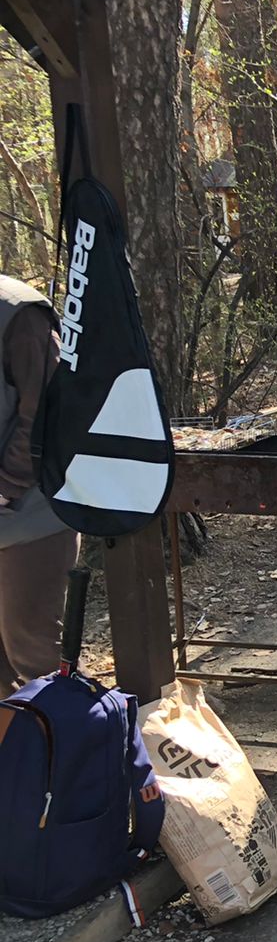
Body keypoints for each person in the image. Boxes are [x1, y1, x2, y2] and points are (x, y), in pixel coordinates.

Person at [0, 275, 78, 689]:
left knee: (37, 665)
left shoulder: (18, 313)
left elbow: (49, 410)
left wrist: (7, 483)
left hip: (29, 520)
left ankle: (70, 753)